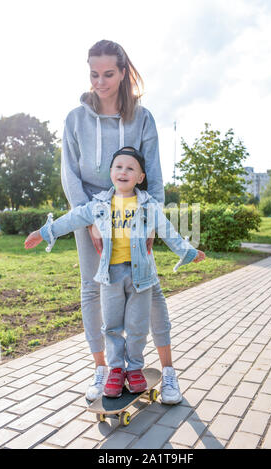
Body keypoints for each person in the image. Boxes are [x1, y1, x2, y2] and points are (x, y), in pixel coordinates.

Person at [53, 38, 188, 404]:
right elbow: (70, 175)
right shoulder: (75, 119)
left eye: (108, 73)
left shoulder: (142, 118)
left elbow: (155, 174)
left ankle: (170, 372)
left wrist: (151, 220)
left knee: (149, 287)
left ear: (123, 72)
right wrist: (91, 220)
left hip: (135, 212)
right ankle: (103, 369)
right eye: (94, 74)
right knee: (92, 289)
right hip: (91, 214)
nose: (100, 81)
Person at [25, 147, 206, 398]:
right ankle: (115, 370)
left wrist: (188, 251)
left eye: (130, 168)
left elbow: (168, 232)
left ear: (140, 178)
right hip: (110, 277)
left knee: (137, 326)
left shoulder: (149, 205)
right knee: (111, 326)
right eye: (119, 167)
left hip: (141, 277)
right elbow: (71, 219)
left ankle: (134, 368)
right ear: (111, 172)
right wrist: (44, 232)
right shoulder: (98, 204)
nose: (123, 172)